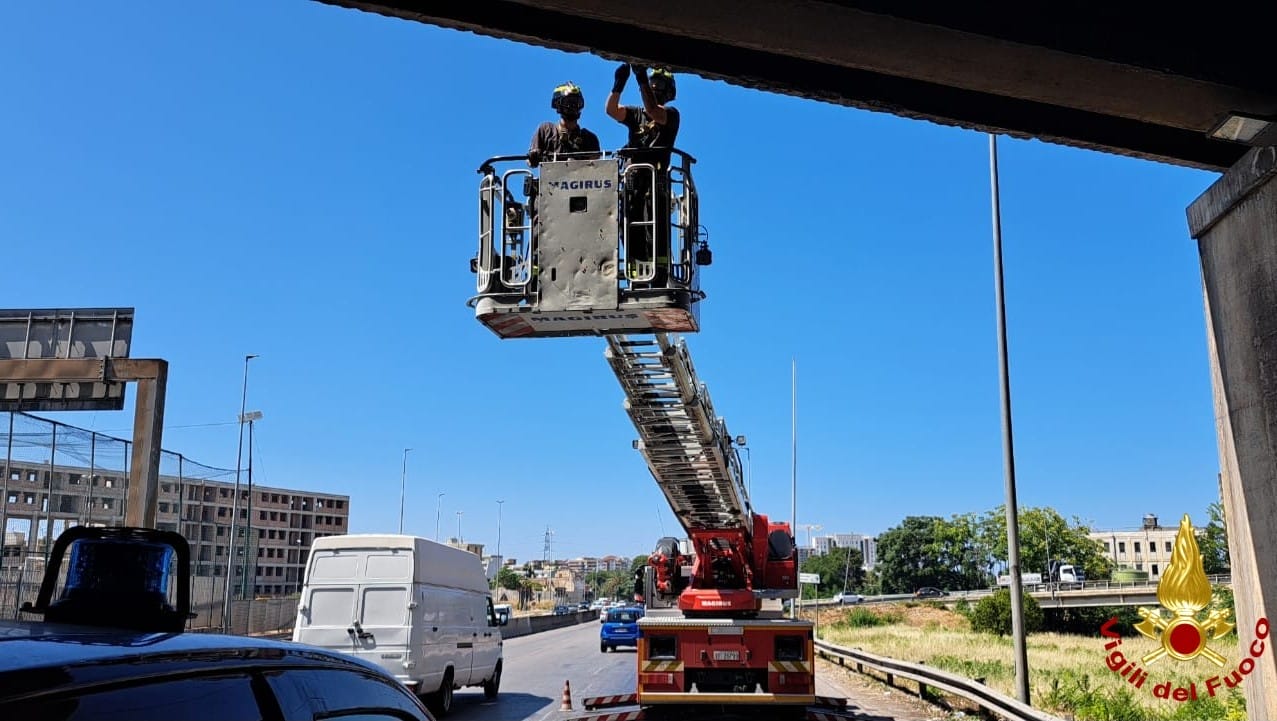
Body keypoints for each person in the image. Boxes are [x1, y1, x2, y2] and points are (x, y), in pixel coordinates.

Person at [606, 64, 680, 284]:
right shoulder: (635, 114)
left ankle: (658, 278)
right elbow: (612, 110)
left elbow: (654, 112)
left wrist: (641, 79)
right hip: (632, 182)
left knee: (655, 233)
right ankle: (636, 280)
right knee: (629, 231)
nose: (654, 87)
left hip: (656, 184)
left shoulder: (671, 115)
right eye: (652, 83)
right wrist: (619, 83)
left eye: (659, 85)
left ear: (668, 92)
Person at [528, 82, 602, 167]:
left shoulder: (590, 138)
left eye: (576, 103)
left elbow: (596, 168)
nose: (572, 106)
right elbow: (530, 162)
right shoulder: (546, 130)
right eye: (568, 103)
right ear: (558, 105)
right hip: (551, 178)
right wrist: (533, 158)